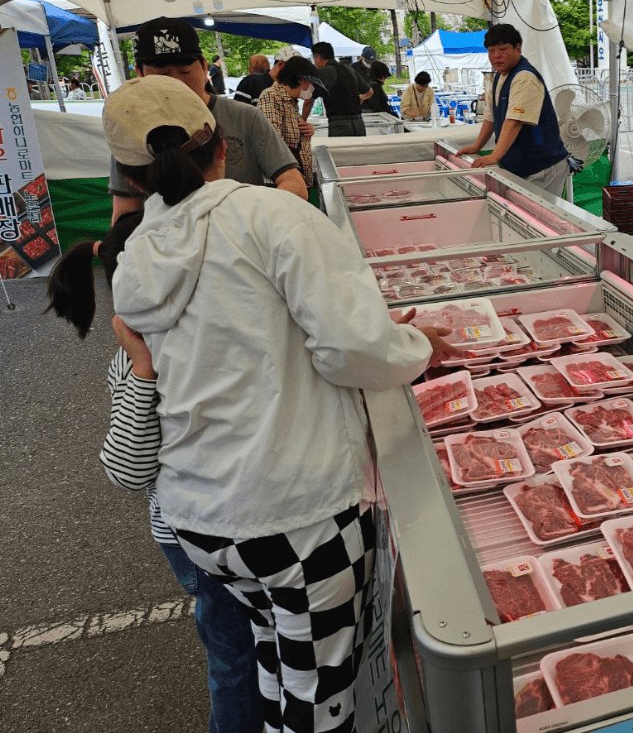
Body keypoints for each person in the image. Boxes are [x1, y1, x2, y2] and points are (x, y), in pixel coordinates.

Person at [102, 74, 458, 733]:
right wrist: (419, 346)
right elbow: (354, 350)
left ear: (132, 177)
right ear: (220, 144)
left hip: (200, 518)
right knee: (320, 691)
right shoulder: (272, 214)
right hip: (296, 515)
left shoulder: (135, 251)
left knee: (275, 652)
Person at [44, 211, 264, 733]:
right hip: (197, 536)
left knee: (251, 645)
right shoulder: (141, 356)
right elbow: (126, 469)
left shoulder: (193, 330)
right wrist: (144, 371)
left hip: (233, 520)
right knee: (234, 658)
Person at [108, 17, 306, 223]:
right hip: (170, 248)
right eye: (163, 76)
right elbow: (124, 214)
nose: (177, 83)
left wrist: (243, 222)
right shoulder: (130, 130)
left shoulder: (244, 116)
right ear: (139, 74)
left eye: (185, 72)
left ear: (204, 67)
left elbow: (295, 184)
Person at [455, 24, 571, 197]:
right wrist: (476, 146)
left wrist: (495, 156)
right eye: (491, 51)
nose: (496, 56)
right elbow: (490, 117)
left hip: (542, 167)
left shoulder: (525, 76)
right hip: (521, 166)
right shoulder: (498, 78)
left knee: (537, 219)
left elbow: (515, 121)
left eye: (503, 49)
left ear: (518, 49)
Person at [258, 54, 321, 195]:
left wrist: (308, 131)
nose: (311, 88)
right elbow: (273, 140)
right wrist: (293, 173)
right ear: (300, 80)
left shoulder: (291, 102)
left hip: (296, 178)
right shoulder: (271, 96)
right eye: (309, 83)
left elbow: (291, 134)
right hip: (282, 183)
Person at [309, 42, 367, 137]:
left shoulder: (324, 72)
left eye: (314, 58)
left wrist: (302, 121)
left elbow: (309, 99)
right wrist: (360, 98)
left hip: (339, 125)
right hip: (359, 124)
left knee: (340, 152)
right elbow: (369, 91)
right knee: (359, 152)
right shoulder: (350, 70)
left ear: (318, 57)